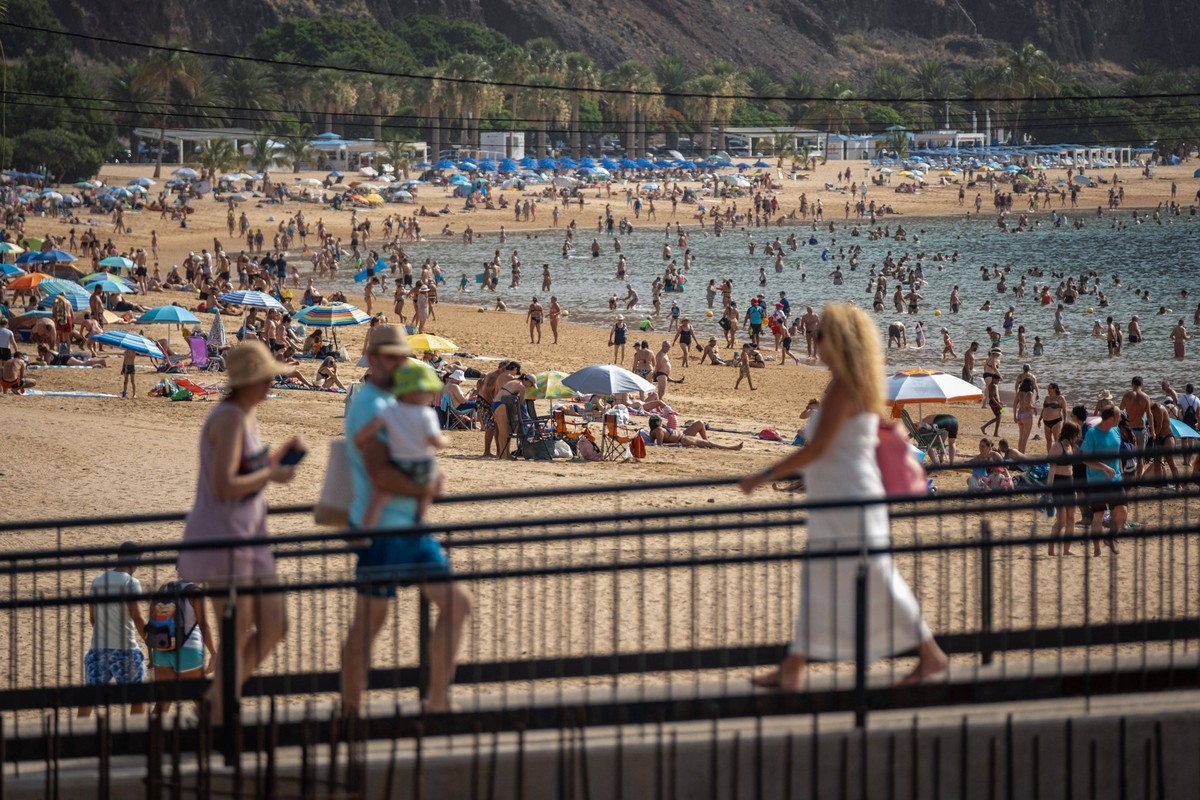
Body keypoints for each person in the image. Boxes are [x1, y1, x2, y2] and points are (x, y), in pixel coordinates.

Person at [739, 304, 947, 689]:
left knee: (877, 580)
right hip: (840, 497)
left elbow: (817, 448)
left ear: (838, 341)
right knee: (823, 580)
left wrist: (763, 476)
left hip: (849, 499)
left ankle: (930, 655)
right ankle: (794, 666)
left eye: (820, 336)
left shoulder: (845, 386)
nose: (815, 343)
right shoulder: (853, 382)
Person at [340, 325, 471, 716]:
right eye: (394, 357)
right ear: (376, 358)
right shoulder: (372, 405)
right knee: (370, 622)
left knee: (456, 603)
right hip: (382, 530)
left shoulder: (390, 402)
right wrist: (428, 485)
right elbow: (381, 472)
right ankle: (350, 708)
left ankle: (436, 699)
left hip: (408, 526)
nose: (401, 363)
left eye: (403, 357)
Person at [177, 341, 302, 724]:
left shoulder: (244, 415)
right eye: (264, 377)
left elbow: (241, 468)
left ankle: (216, 700)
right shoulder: (230, 416)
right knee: (238, 629)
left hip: (245, 536)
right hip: (223, 538)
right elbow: (224, 485)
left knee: (274, 623)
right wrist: (272, 473)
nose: (269, 383)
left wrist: (271, 460)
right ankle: (218, 712)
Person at [352, 361, 448, 526]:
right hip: (422, 466)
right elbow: (434, 440)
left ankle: (365, 530)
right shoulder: (426, 414)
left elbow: (365, 434)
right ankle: (418, 519)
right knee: (430, 489)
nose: (432, 396)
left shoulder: (390, 410)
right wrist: (445, 441)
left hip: (397, 464)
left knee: (379, 498)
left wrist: (360, 444)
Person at [78, 542, 148, 718]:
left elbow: (92, 617)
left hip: (98, 649)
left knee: (89, 698)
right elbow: (138, 617)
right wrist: (150, 638)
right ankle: (135, 738)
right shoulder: (131, 583)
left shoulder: (98, 581)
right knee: (138, 696)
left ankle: (77, 737)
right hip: (125, 650)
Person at [146, 575, 215, 715]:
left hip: (161, 651)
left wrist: (151, 656)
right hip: (188, 651)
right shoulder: (195, 592)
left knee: (163, 703)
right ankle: (212, 735)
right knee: (202, 700)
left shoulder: (164, 588)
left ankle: (150, 736)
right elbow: (205, 625)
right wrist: (213, 653)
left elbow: (152, 625)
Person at [1080, 406, 1125, 557]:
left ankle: (1110, 538)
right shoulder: (1092, 433)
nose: (1121, 418)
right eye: (1118, 416)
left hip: (1115, 479)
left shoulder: (1117, 431)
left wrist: (1120, 472)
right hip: (1096, 481)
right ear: (1111, 418)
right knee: (1098, 515)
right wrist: (1104, 467)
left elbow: (1117, 454)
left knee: (1122, 512)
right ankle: (1096, 548)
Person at [1046, 422, 1081, 556]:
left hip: (1070, 483)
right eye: (1076, 434)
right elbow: (1052, 469)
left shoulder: (1071, 446)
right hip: (1058, 483)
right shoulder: (1057, 446)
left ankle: (1067, 549)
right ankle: (1051, 544)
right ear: (1071, 433)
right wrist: (1049, 490)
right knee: (1061, 520)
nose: (1077, 437)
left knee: (1071, 518)